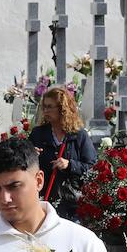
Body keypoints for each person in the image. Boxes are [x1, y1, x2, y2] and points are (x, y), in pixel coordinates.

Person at [31, 87, 96, 219]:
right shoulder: (38, 134)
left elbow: (92, 166)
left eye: (50, 107)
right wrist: (31, 155)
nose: (46, 111)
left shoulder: (79, 135)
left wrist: (70, 165)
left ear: (62, 108)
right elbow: (24, 165)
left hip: (73, 203)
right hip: (45, 200)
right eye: (44, 107)